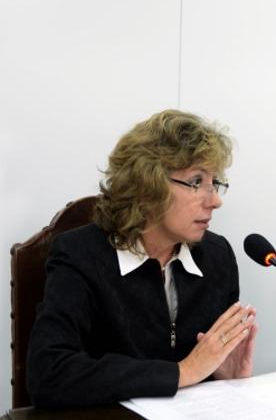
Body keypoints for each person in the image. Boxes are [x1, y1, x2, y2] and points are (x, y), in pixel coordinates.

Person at [27, 110, 258, 407]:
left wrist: (227, 378)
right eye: (197, 181)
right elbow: (48, 374)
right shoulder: (80, 255)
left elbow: (207, 377)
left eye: (216, 183)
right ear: (148, 185)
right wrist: (181, 373)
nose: (215, 200)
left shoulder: (216, 256)